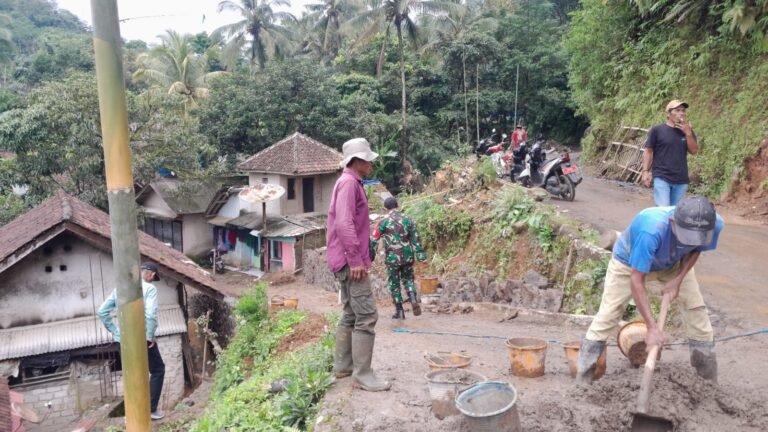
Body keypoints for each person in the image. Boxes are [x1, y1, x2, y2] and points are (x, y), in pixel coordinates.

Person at [576, 196, 723, 383]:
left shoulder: (713, 224)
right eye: (686, 237)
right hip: (628, 263)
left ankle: (707, 384)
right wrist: (652, 327)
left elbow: (695, 250)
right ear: (672, 222)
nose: (689, 243)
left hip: (674, 264)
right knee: (608, 315)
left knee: (697, 314)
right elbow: (637, 279)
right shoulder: (651, 229)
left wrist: (678, 280)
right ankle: (583, 380)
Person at [327, 137, 391, 392]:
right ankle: (363, 374)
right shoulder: (348, 184)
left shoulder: (350, 183)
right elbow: (344, 224)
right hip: (348, 260)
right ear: (358, 161)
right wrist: (355, 260)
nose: (371, 165)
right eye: (368, 160)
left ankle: (343, 366)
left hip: (343, 258)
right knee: (366, 315)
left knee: (351, 313)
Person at [98, 262, 166, 420]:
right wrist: (149, 336)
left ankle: (136, 413)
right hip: (141, 338)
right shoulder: (149, 289)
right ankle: (151, 409)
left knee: (132, 374)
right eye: (153, 276)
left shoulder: (120, 289)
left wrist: (115, 331)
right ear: (150, 274)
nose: (152, 279)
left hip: (122, 341)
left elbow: (102, 311)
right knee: (158, 370)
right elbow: (150, 315)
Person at [371, 197, 428, 320]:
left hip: (392, 259)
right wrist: (422, 257)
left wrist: (370, 257)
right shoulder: (409, 220)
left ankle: (400, 311)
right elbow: (416, 240)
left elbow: (374, 240)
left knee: (394, 283)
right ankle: (412, 298)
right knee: (408, 279)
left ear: (385, 208)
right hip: (407, 256)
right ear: (397, 205)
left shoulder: (383, 222)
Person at [642, 100, 699, 206]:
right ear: (668, 114)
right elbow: (648, 150)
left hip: (681, 179)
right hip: (662, 176)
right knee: (663, 210)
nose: (681, 113)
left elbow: (694, 151)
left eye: (683, 110)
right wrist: (645, 171)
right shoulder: (657, 130)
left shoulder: (688, 131)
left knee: (675, 213)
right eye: (677, 110)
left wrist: (688, 134)